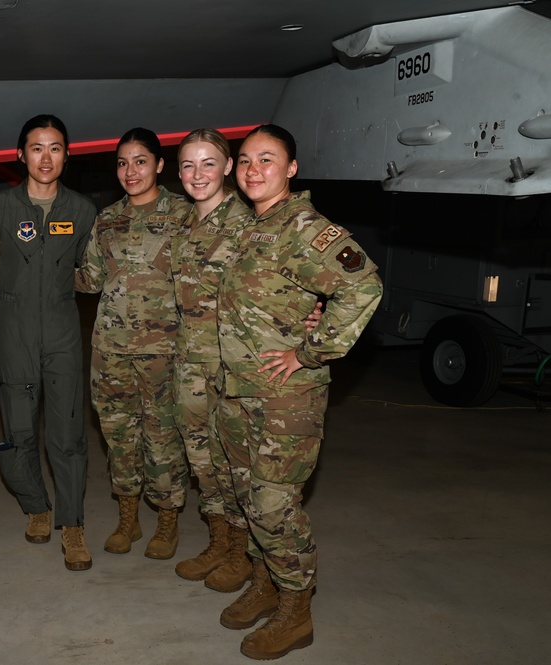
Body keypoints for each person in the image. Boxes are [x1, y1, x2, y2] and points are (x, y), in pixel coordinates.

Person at [216, 124, 382, 660]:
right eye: (244, 159)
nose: (252, 169)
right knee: (248, 495)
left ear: (291, 169)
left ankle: (297, 607)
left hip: (287, 397)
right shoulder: (251, 225)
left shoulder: (305, 227)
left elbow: (362, 286)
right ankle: (267, 582)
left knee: (273, 504)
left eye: (267, 159)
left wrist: (309, 352)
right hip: (241, 390)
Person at [76, 127, 191, 560]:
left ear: (160, 165)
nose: (130, 171)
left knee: (162, 435)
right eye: (122, 162)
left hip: (165, 348)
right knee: (118, 434)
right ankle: (128, 518)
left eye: (140, 161)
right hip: (111, 347)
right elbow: (89, 278)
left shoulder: (184, 214)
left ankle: (167, 519)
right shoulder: (106, 219)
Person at [0, 115, 97, 571]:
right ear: (20, 154)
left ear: (67, 155)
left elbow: (94, 273)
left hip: (63, 332)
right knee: (18, 431)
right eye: (37, 147)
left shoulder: (83, 210)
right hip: (12, 331)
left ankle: (71, 525)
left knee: (69, 432)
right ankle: (36, 506)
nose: (46, 157)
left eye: (55, 148)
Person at [169, 128, 255, 589]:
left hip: (231, 371)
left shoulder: (246, 225)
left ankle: (242, 552)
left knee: (235, 466)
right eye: (188, 165)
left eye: (207, 163)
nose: (197, 174)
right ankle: (219, 541)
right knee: (203, 463)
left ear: (227, 168)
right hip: (190, 366)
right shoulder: (185, 224)